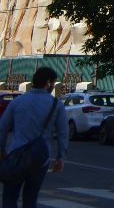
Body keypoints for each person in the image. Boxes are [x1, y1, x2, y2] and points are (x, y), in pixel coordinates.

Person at [0, 66, 68, 208]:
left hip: (16, 155)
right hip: (41, 158)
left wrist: (1, 150)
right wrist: (60, 157)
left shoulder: (17, 102)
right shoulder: (56, 104)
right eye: (53, 83)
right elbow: (63, 133)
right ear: (48, 83)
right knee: (31, 198)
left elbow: (2, 129)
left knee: (9, 196)